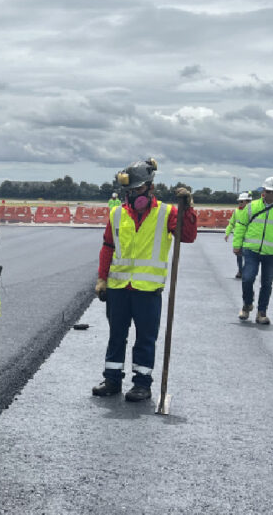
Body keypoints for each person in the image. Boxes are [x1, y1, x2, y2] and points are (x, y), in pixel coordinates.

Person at [91, 158, 197, 402]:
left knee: (145, 339)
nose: (133, 195)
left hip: (148, 290)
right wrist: (102, 278)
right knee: (116, 335)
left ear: (151, 187)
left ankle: (142, 384)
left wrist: (187, 208)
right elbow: (108, 246)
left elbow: (188, 236)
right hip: (119, 288)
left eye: (137, 190)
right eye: (129, 191)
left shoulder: (167, 213)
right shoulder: (117, 213)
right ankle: (112, 380)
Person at [232, 176, 273, 325]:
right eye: (269, 191)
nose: (271, 194)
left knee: (267, 283)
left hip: (271, 253)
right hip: (251, 250)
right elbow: (241, 225)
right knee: (247, 278)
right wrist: (237, 244)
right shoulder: (252, 207)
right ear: (263, 191)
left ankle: (262, 312)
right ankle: (247, 304)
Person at [224, 192, 252, 278]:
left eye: (241, 201)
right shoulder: (236, 211)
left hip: (249, 237)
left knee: (248, 256)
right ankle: (240, 271)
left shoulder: (252, 211)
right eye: (239, 201)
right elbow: (231, 223)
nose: (240, 203)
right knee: (239, 255)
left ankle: (245, 271)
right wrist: (227, 233)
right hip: (238, 237)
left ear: (247, 202)